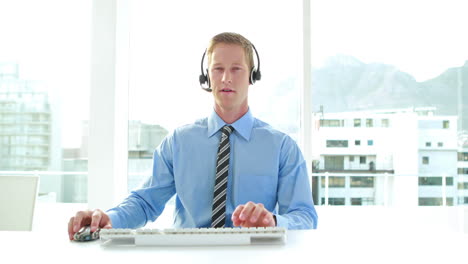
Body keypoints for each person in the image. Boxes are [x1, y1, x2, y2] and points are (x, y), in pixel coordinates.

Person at [68, 32, 318, 240]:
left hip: (254, 255)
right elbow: (145, 202)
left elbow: (305, 216)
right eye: (217, 69)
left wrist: (274, 221)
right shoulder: (178, 142)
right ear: (206, 76)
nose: (226, 78)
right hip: (187, 253)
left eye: (237, 69)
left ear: (253, 76)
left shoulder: (282, 147)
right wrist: (109, 218)